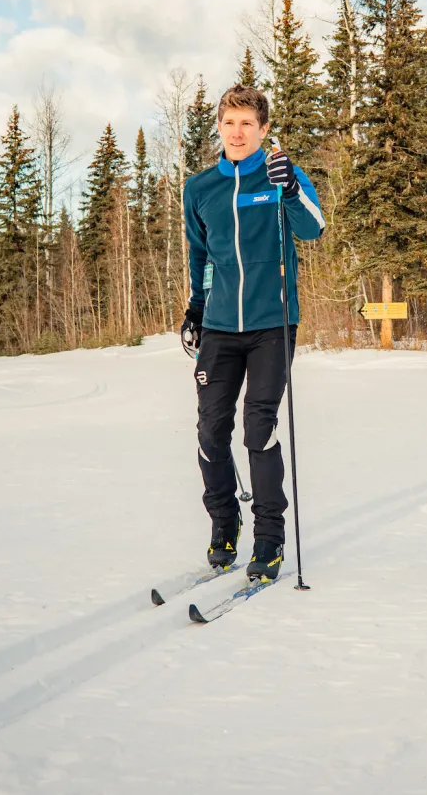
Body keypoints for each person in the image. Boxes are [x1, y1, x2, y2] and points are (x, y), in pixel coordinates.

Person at [180, 85, 325, 581]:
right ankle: (225, 523)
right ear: (219, 128)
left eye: (247, 123)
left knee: (258, 428)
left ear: (263, 130)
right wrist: (197, 310)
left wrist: (289, 189)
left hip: (272, 322)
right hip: (220, 327)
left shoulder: (281, 173)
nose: (237, 132)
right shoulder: (200, 188)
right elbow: (200, 256)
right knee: (210, 432)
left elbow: (314, 228)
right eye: (229, 122)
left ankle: (269, 538)